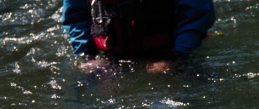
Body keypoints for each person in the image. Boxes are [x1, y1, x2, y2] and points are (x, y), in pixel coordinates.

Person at [61, 0, 216, 73]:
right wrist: (87, 56)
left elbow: (196, 15)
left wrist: (177, 57)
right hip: (111, 55)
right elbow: (75, 17)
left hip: (171, 50)